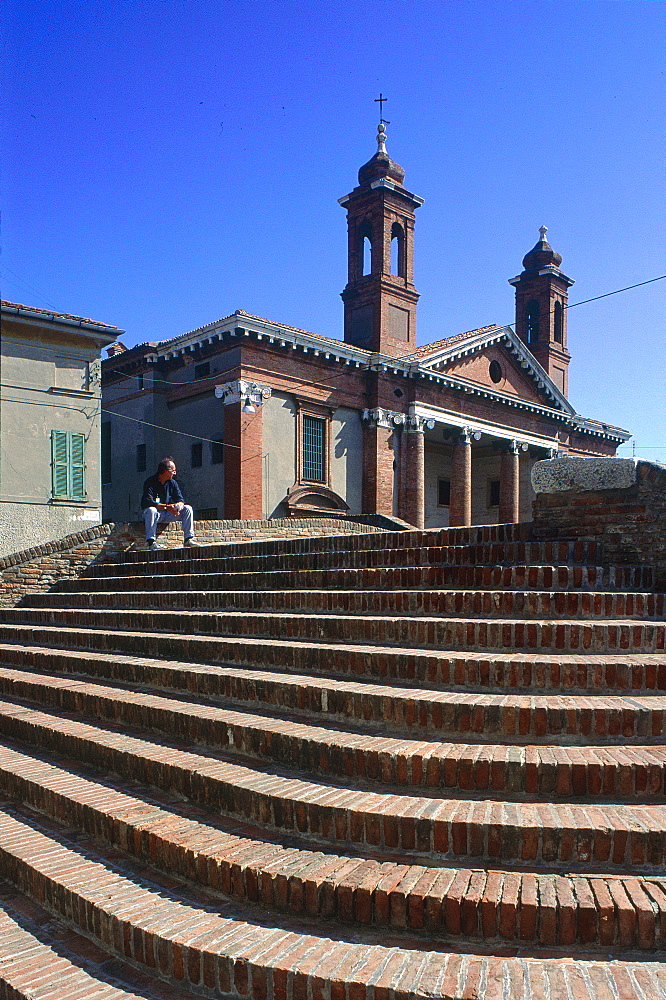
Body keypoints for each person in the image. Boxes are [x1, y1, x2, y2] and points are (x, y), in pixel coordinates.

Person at [141, 457, 198, 549]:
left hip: (168, 514)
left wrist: (179, 504)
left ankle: (188, 539)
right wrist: (167, 507)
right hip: (155, 515)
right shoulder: (150, 482)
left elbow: (180, 499)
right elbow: (147, 502)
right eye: (173, 470)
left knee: (188, 508)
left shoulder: (173, 483)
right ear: (166, 471)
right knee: (151, 510)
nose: (175, 472)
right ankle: (151, 542)